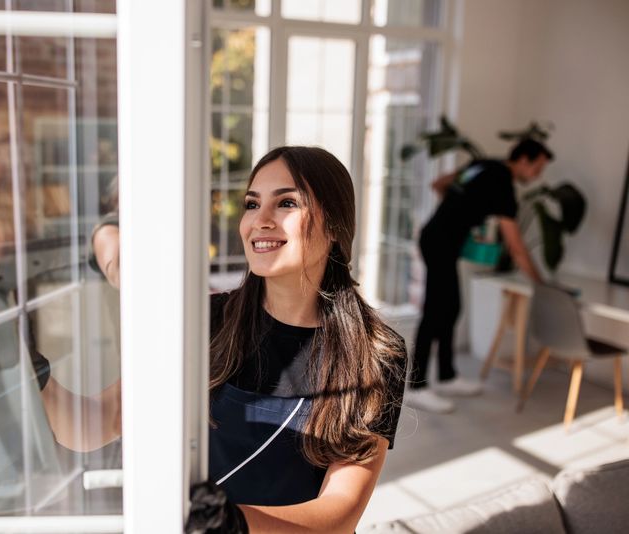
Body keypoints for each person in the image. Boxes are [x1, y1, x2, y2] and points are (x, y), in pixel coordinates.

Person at [191, 146, 407, 533]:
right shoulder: (207, 321)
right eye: (252, 204)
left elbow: (341, 512)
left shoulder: (376, 353)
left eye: (287, 203)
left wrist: (234, 524)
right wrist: (45, 381)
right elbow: (102, 421)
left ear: (335, 227)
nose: (261, 220)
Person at [406, 139, 552, 414]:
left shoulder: (483, 165)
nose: (537, 175)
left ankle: (447, 376)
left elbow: (438, 184)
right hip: (441, 243)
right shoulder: (503, 187)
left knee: (451, 309)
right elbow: (516, 247)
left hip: (436, 238)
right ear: (523, 160)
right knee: (436, 313)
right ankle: (417, 386)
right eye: (538, 168)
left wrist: (458, 211)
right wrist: (541, 283)